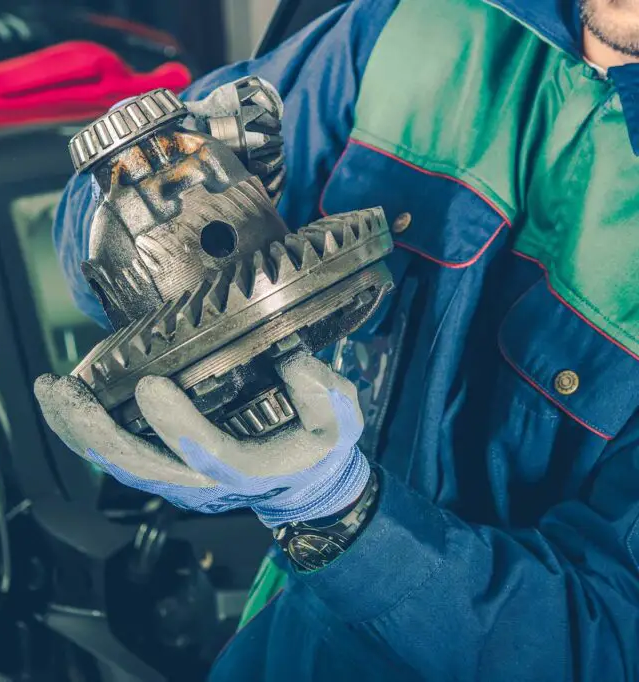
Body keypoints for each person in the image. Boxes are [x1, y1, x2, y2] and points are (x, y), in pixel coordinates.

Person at [34, 0, 639, 679]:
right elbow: (89, 232)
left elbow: (608, 644)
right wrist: (149, 216)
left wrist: (340, 515)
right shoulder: (412, 22)